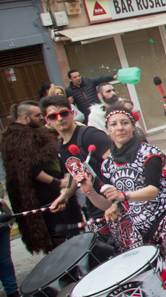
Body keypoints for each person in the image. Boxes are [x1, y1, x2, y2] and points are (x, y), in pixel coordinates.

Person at [77, 103, 166, 297]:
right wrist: (89, 192)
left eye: (124, 123)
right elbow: (108, 202)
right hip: (139, 227)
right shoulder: (107, 165)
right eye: (114, 125)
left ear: (133, 126)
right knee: (150, 282)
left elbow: (152, 190)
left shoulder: (148, 153)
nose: (120, 128)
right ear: (107, 131)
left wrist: (124, 197)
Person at [0, 101, 81, 253]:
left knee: (68, 229)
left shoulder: (35, 132)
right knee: (58, 235)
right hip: (44, 195)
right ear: (25, 118)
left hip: (54, 190)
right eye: (37, 116)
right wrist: (58, 183)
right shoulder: (17, 138)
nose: (41, 118)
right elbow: (30, 170)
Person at [41, 95, 113, 224]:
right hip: (95, 209)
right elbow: (74, 175)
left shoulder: (90, 135)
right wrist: (64, 196)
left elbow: (119, 166)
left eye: (63, 113)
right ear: (47, 120)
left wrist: (115, 203)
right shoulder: (60, 145)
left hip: (114, 207)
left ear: (72, 113)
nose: (59, 119)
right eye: (53, 116)